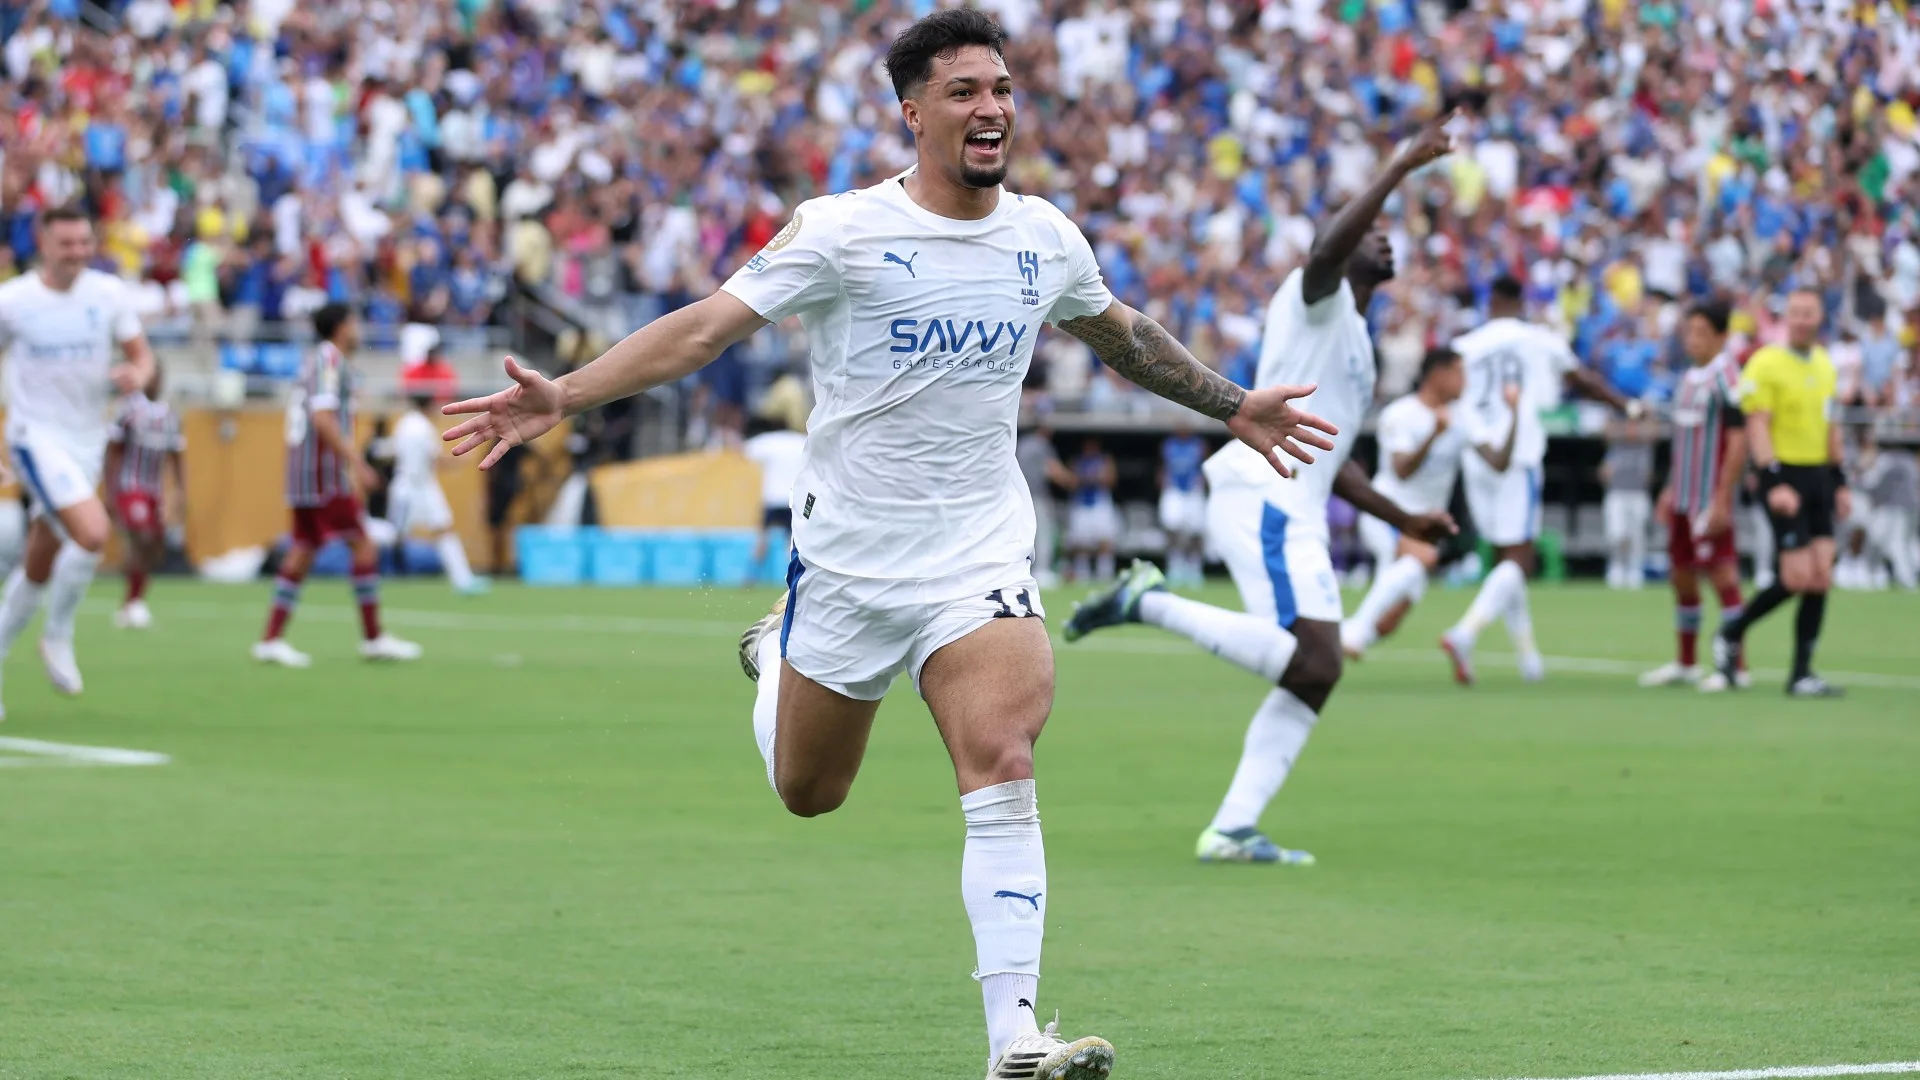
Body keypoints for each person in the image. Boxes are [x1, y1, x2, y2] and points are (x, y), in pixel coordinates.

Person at [437, 13, 1336, 1079]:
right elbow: (703, 330)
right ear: (913, 113)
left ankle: (1015, 1038)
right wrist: (568, 395)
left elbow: (1121, 332)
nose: (990, 107)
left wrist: (1232, 404)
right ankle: (775, 653)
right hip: (852, 565)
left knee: (1003, 759)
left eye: (999, 88)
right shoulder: (842, 230)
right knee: (810, 792)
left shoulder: (1044, 237)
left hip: (980, 557)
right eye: (962, 91)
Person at [1062, 111, 1458, 866]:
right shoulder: (1314, 298)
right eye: (1368, 229)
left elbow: (1332, 458)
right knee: (1317, 660)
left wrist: (1407, 516)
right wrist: (1402, 165)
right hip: (1263, 494)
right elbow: (1325, 248)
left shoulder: (1358, 345)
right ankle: (1146, 601)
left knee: (1317, 672)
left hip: (1295, 504)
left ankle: (1233, 827)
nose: (1383, 236)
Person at [1439, 275, 1644, 685]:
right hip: (1519, 452)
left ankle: (1529, 659)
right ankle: (1465, 632)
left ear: (1492, 299)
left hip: (1477, 452)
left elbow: (1444, 387)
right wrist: (1626, 405)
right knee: (1521, 558)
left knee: (1504, 558)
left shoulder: (1465, 344)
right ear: (1520, 301)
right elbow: (1581, 379)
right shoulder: (1539, 339)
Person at [0, 206, 156, 717]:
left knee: (40, 560)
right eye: (67, 244)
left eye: (84, 243)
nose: (77, 253)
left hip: (87, 438)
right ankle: (58, 634)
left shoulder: (107, 295)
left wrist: (137, 372)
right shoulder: (14, 301)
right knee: (92, 533)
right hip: (35, 436)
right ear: (43, 245)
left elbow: (144, 356)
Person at [253, 302, 422, 668]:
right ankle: (373, 637)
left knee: (303, 549)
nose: (359, 328)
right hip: (321, 474)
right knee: (362, 543)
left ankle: (271, 639)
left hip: (304, 474)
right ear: (342, 327)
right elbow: (321, 417)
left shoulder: (321, 361)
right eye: (354, 321)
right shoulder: (329, 361)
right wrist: (355, 462)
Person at [1712, 289, 1846, 697]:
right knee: (1795, 577)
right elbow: (1757, 425)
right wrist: (1772, 480)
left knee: (1821, 577)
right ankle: (1732, 631)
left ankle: (1802, 673)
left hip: (1819, 476)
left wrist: (1840, 482)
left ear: (1820, 316)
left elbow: (1831, 428)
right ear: (1786, 316)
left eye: (1810, 312)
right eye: (1796, 312)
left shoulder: (1825, 364)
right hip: (1783, 473)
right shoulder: (1767, 362)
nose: (1803, 319)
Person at [1641, 299, 1752, 691]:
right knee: (1682, 577)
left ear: (1722, 336)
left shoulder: (1727, 377)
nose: (1694, 340)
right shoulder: (1687, 378)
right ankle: (1686, 663)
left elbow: (1738, 441)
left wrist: (1723, 498)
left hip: (1709, 498)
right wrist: (1670, 489)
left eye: (1702, 333)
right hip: (1683, 498)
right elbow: (1684, 443)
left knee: (1722, 575)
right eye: (1690, 332)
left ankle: (1734, 666)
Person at [1342, 346, 1469, 660]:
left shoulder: (1462, 418)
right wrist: (1433, 436)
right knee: (1423, 558)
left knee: (1388, 622)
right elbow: (1402, 470)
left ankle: (1341, 640)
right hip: (1388, 512)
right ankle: (1352, 630)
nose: (1465, 381)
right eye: (1459, 373)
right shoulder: (1400, 414)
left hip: (1423, 523)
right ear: (1438, 375)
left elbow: (1492, 457)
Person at [105, 365, 187, 629]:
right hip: (131, 486)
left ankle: (134, 599)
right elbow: (113, 451)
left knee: (154, 545)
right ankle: (132, 603)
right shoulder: (129, 410)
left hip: (154, 489)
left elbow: (177, 455)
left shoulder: (169, 415)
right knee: (142, 536)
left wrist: (181, 491)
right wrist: (110, 490)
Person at [390, 393, 487, 595]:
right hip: (419, 485)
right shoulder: (423, 427)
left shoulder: (403, 424)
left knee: (428, 530)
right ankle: (462, 580)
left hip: (406, 484)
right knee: (397, 535)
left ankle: (463, 580)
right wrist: (461, 460)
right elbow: (434, 459)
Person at [742, 416, 807, 578]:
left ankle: (750, 576)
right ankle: (794, 576)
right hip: (793, 499)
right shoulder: (801, 441)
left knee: (762, 540)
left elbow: (745, 450)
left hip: (772, 499)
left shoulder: (768, 441)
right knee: (791, 542)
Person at [1014, 412, 1074, 587]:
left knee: (1023, 535)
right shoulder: (1041, 444)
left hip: (1018, 496)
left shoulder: (1023, 442)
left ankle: (1025, 571)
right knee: (1043, 533)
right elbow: (1053, 470)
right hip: (1036, 496)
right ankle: (1042, 571)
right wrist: (1071, 481)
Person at [1599, 416, 1655, 590]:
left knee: (1636, 534)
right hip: (1617, 493)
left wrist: (1646, 412)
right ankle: (1617, 567)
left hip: (1638, 494)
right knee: (1616, 533)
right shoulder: (1616, 445)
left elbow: (1655, 430)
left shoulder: (1645, 445)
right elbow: (1605, 429)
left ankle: (1634, 568)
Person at [1157, 423, 1207, 587]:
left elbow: (1205, 465)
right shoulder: (1168, 445)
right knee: (1172, 527)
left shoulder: (1199, 445)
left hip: (1193, 489)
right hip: (1174, 489)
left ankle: (1194, 568)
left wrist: (1203, 480)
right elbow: (1164, 466)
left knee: (1196, 530)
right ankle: (1175, 566)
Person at [1064, 436, 1118, 582]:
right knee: (1081, 540)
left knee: (1104, 537)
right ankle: (1083, 572)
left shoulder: (1104, 460)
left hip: (1100, 501)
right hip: (1081, 502)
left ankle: (1104, 572)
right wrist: (1083, 479)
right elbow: (1071, 481)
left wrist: (1098, 478)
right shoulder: (1077, 461)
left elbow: (1112, 480)